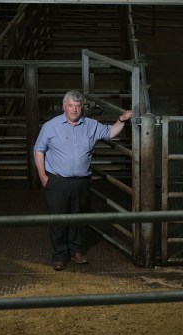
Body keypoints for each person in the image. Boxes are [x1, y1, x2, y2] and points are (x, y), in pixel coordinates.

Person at [33, 90, 133, 270]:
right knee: (58, 219)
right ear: (64, 107)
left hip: (81, 181)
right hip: (57, 181)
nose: (74, 110)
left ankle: (76, 251)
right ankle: (59, 255)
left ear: (82, 108)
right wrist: (43, 176)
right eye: (70, 106)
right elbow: (38, 150)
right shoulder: (51, 126)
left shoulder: (91, 125)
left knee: (78, 217)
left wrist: (122, 119)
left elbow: (111, 133)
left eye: (77, 106)